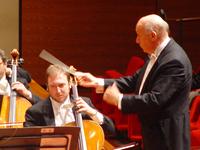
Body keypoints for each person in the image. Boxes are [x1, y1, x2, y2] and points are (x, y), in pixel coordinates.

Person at [75, 14, 192, 150]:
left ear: (153, 36)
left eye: (139, 35)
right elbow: (135, 80)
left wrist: (119, 99)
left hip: (167, 137)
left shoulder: (173, 61)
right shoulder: (157, 53)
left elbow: (155, 99)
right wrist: (97, 82)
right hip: (155, 132)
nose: (136, 40)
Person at [24, 64, 115, 137]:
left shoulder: (85, 103)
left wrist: (92, 112)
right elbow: (30, 144)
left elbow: (110, 131)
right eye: (53, 86)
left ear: (70, 84)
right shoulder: (35, 112)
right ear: (47, 87)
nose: (58, 91)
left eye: (61, 85)